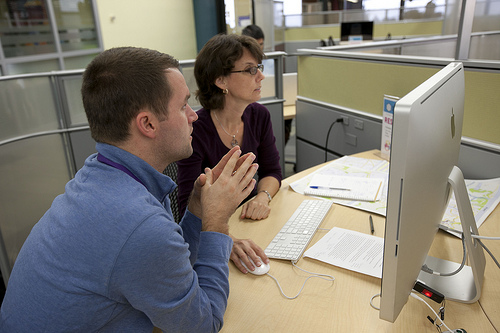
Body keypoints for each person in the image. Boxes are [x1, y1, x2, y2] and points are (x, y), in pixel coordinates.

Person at [0, 47, 259, 332]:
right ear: (147, 124)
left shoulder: (105, 174)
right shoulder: (138, 223)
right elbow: (202, 324)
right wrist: (217, 224)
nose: (193, 116)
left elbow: (166, 264)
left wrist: (198, 211)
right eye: (183, 105)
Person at [176, 34, 282, 274]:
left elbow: (273, 171)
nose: (261, 76)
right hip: (214, 233)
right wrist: (227, 239)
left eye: (259, 68)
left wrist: (262, 197)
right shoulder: (196, 128)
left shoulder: (259, 116)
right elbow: (186, 207)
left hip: (252, 224)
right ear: (221, 80)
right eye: (250, 70)